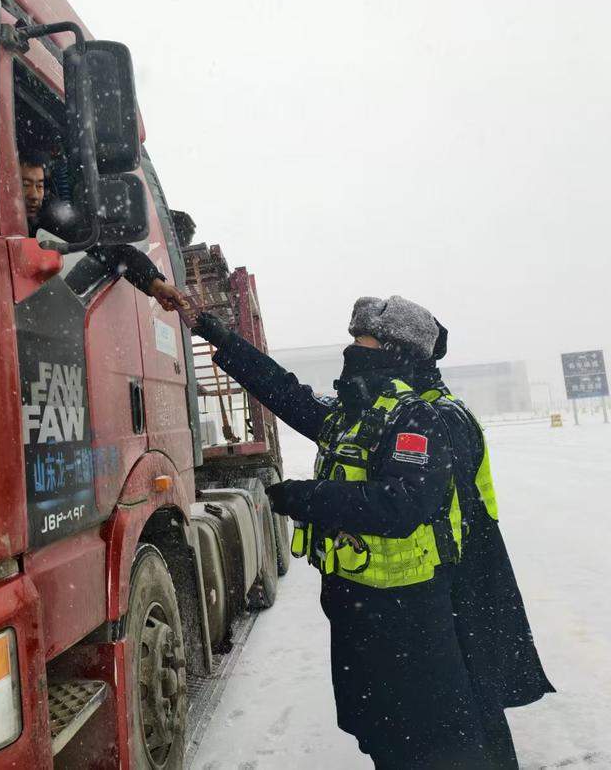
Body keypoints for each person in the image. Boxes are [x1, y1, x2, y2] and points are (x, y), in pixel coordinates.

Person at [190, 295, 497, 769]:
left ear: (396, 352)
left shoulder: (417, 418)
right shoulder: (351, 414)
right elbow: (284, 392)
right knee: (377, 730)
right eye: (352, 339)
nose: (353, 349)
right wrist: (221, 337)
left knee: (426, 741)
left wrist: (307, 498)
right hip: (355, 605)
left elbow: (403, 505)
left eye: (365, 341)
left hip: (410, 613)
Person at [411, 320, 554, 769]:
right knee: (477, 692)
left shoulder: (438, 417)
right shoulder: (444, 407)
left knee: (473, 696)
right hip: (474, 564)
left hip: (466, 569)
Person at [18, 150, 188, 311]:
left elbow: (108, 248)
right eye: (25, 184)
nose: (34, 195)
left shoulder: (51, 214)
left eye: (39, 186)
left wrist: (155, 283)